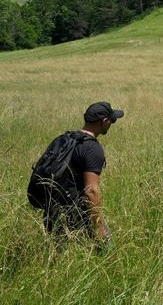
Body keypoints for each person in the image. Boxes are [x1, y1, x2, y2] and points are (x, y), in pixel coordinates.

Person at [31, 101, 123, 246]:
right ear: (104, 121)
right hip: (75, 218)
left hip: (52, 211)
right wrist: (100, 227)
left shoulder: (64, 138)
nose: (112, 123)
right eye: (112, 120)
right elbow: (91, 191)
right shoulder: (92, 148)